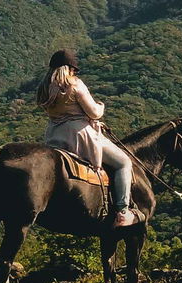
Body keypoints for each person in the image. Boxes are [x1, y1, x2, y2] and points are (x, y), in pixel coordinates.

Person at [36, 49, 138, 227]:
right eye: (73, 69)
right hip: (80, 135)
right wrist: (101, 106)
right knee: (123, 162)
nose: (74, 72)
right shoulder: (75, 84)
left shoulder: (44, 87)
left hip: (55, 135)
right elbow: (94, 113)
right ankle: (123, 211)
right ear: (69, 68)